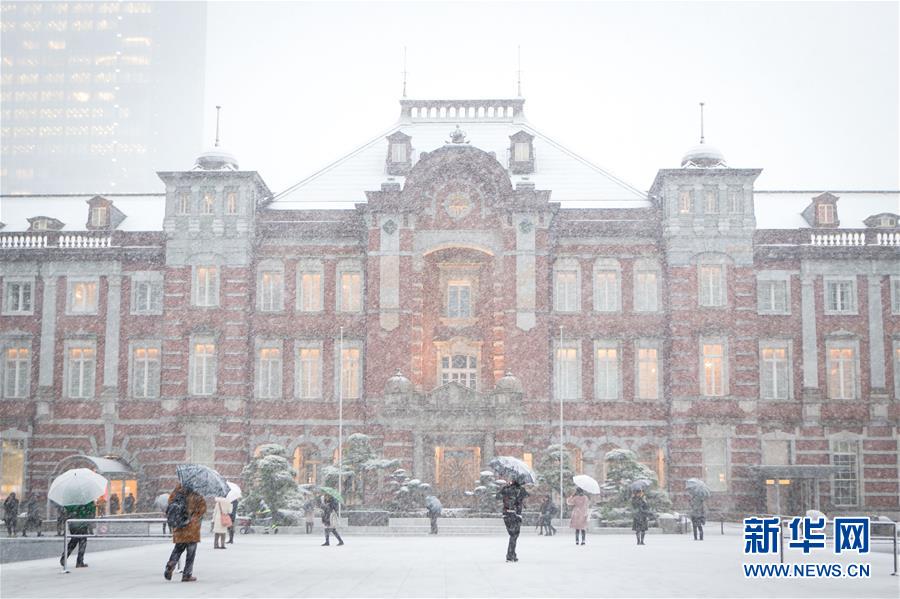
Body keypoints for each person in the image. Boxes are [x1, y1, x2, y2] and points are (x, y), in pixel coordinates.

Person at [164, 483, 206, 582]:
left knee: (178, 549)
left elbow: (170, 503)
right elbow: (203, 509)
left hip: (179, 527)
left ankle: (171, 564)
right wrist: (194, 516)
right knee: (190, 554)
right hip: (192, 528)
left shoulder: (177, 491)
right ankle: (187, 574)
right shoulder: (196, 495)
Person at [496, 478, 528, 562]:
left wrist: (506, 487)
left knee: (512, 535)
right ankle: (510, 555)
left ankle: (512, 554)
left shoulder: (506, 489)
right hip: (515, 515)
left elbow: (497, 496)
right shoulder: (521, 490)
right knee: (514, 535)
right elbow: (527, 495)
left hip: (506, 514)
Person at [59, 501, 94, 568]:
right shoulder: (86, 500)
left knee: (73, 541)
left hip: (72, 524)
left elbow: (66, 510)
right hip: (82, 523)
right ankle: (79, 562)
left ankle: (64, 558)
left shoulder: (70, 501)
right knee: (82, 542)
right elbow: (90, 511)